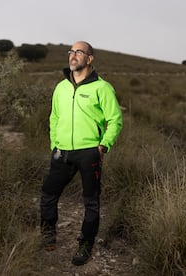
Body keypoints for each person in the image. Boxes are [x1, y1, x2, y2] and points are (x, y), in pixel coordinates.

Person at [40, 41, 123, 266]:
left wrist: (103, 145)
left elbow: (115, 120)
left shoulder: (102, 88)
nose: (73, 55)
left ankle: (86, 243)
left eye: (79, 52)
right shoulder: (61, 87)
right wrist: (54, 144)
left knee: (91, 202)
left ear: (89, 58)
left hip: (89, 152)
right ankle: (48, 236)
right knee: (48, 195)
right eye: (71, 51)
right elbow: (54, 118)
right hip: (62, 151)